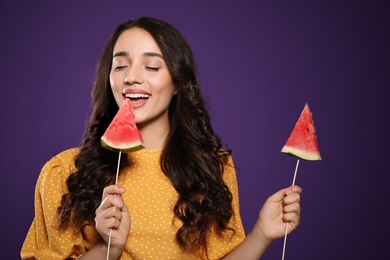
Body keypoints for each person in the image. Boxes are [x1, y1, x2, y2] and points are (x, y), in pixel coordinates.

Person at [21, 17, 302, 260]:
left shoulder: (211, 166)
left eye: (152, 67)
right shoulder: (64, 171)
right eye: (120, 66)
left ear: (178, 82)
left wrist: (262, 234)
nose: (131, 77)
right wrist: (107, 248)